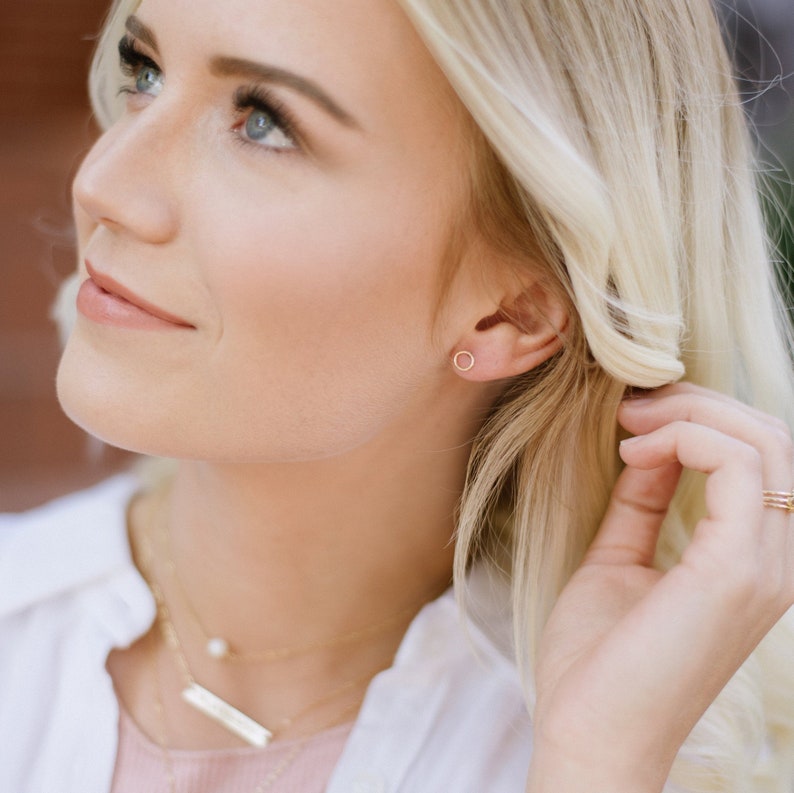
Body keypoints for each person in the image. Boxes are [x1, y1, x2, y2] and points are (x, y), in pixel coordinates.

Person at [1, 0, 793, 790]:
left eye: (264, 122)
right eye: (145, 71)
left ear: (510, 311)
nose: (103, 182)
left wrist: (597, 767)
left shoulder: (662, 751)